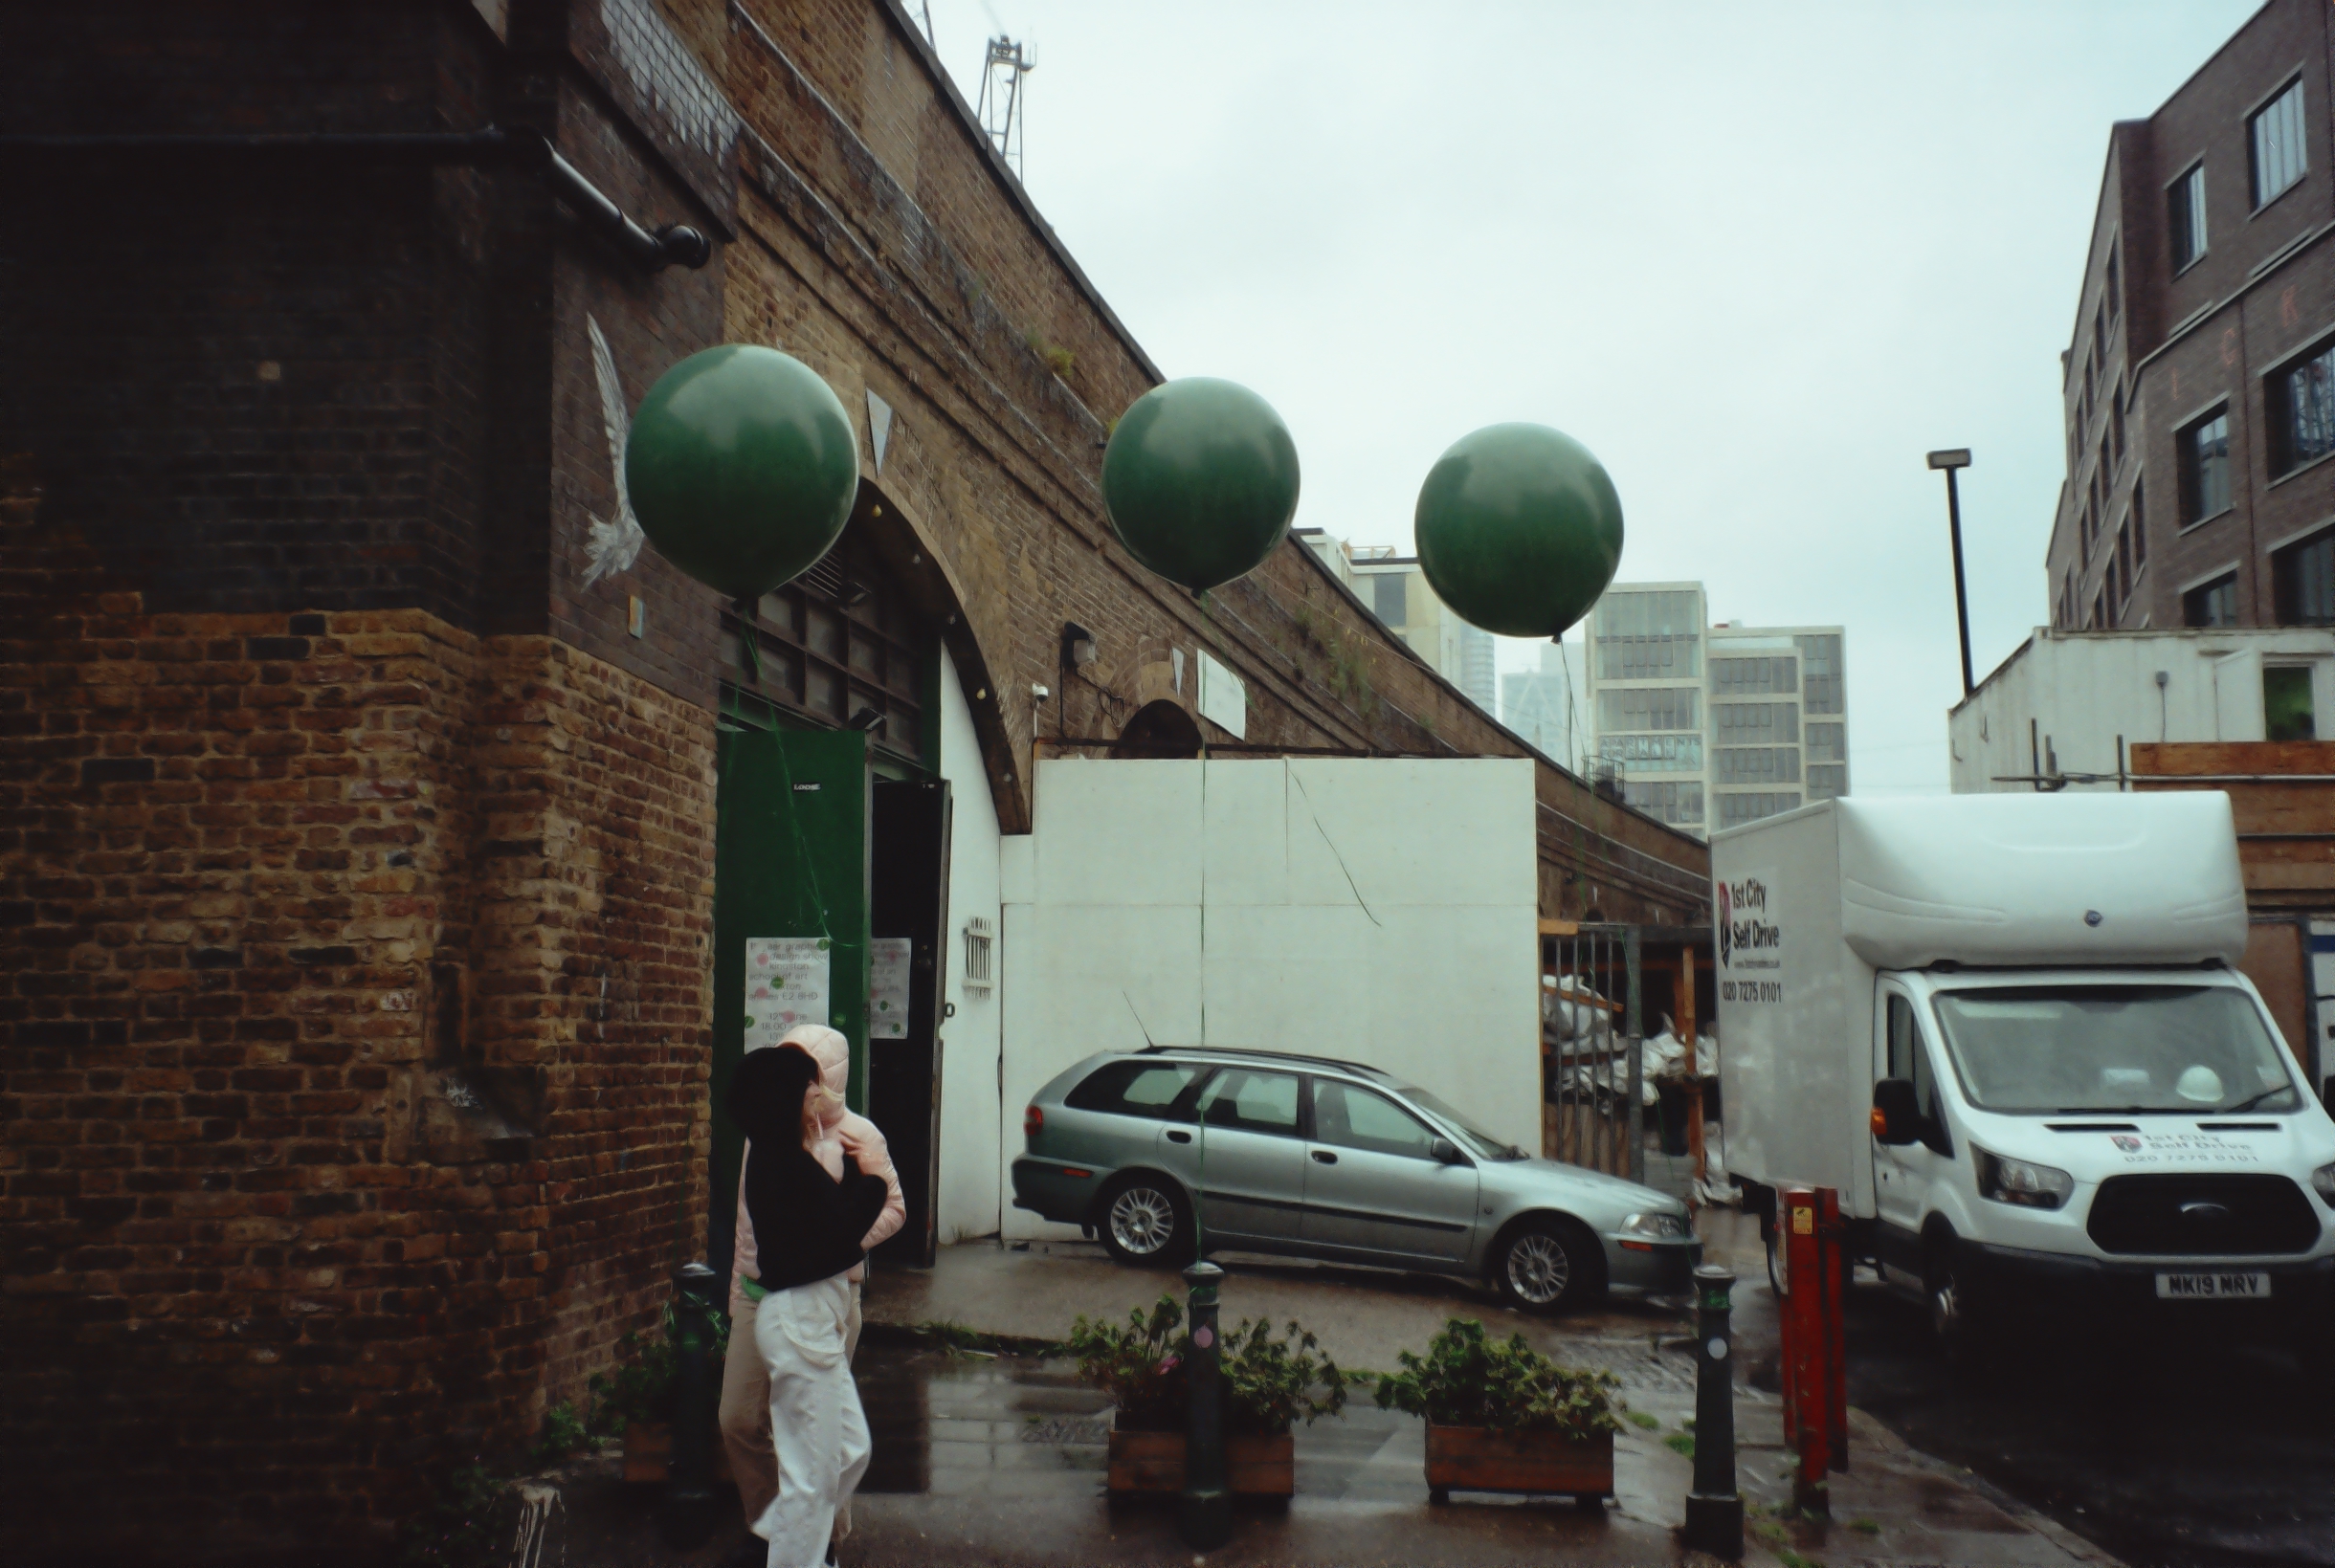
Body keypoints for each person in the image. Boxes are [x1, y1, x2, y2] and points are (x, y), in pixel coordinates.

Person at [721, 1027, 903, 1563]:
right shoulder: (778, 1155)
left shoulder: (805, 1147)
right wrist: (869, 1184)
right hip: (797, 1312)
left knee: (849, 1451)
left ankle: (786, 1529)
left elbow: (844, 1223)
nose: (815, 1095)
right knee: (811, 1468)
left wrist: (860, 1200)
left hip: (814, 1306)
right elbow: (772, 1236)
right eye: (806, 1086)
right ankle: (799, 1543)